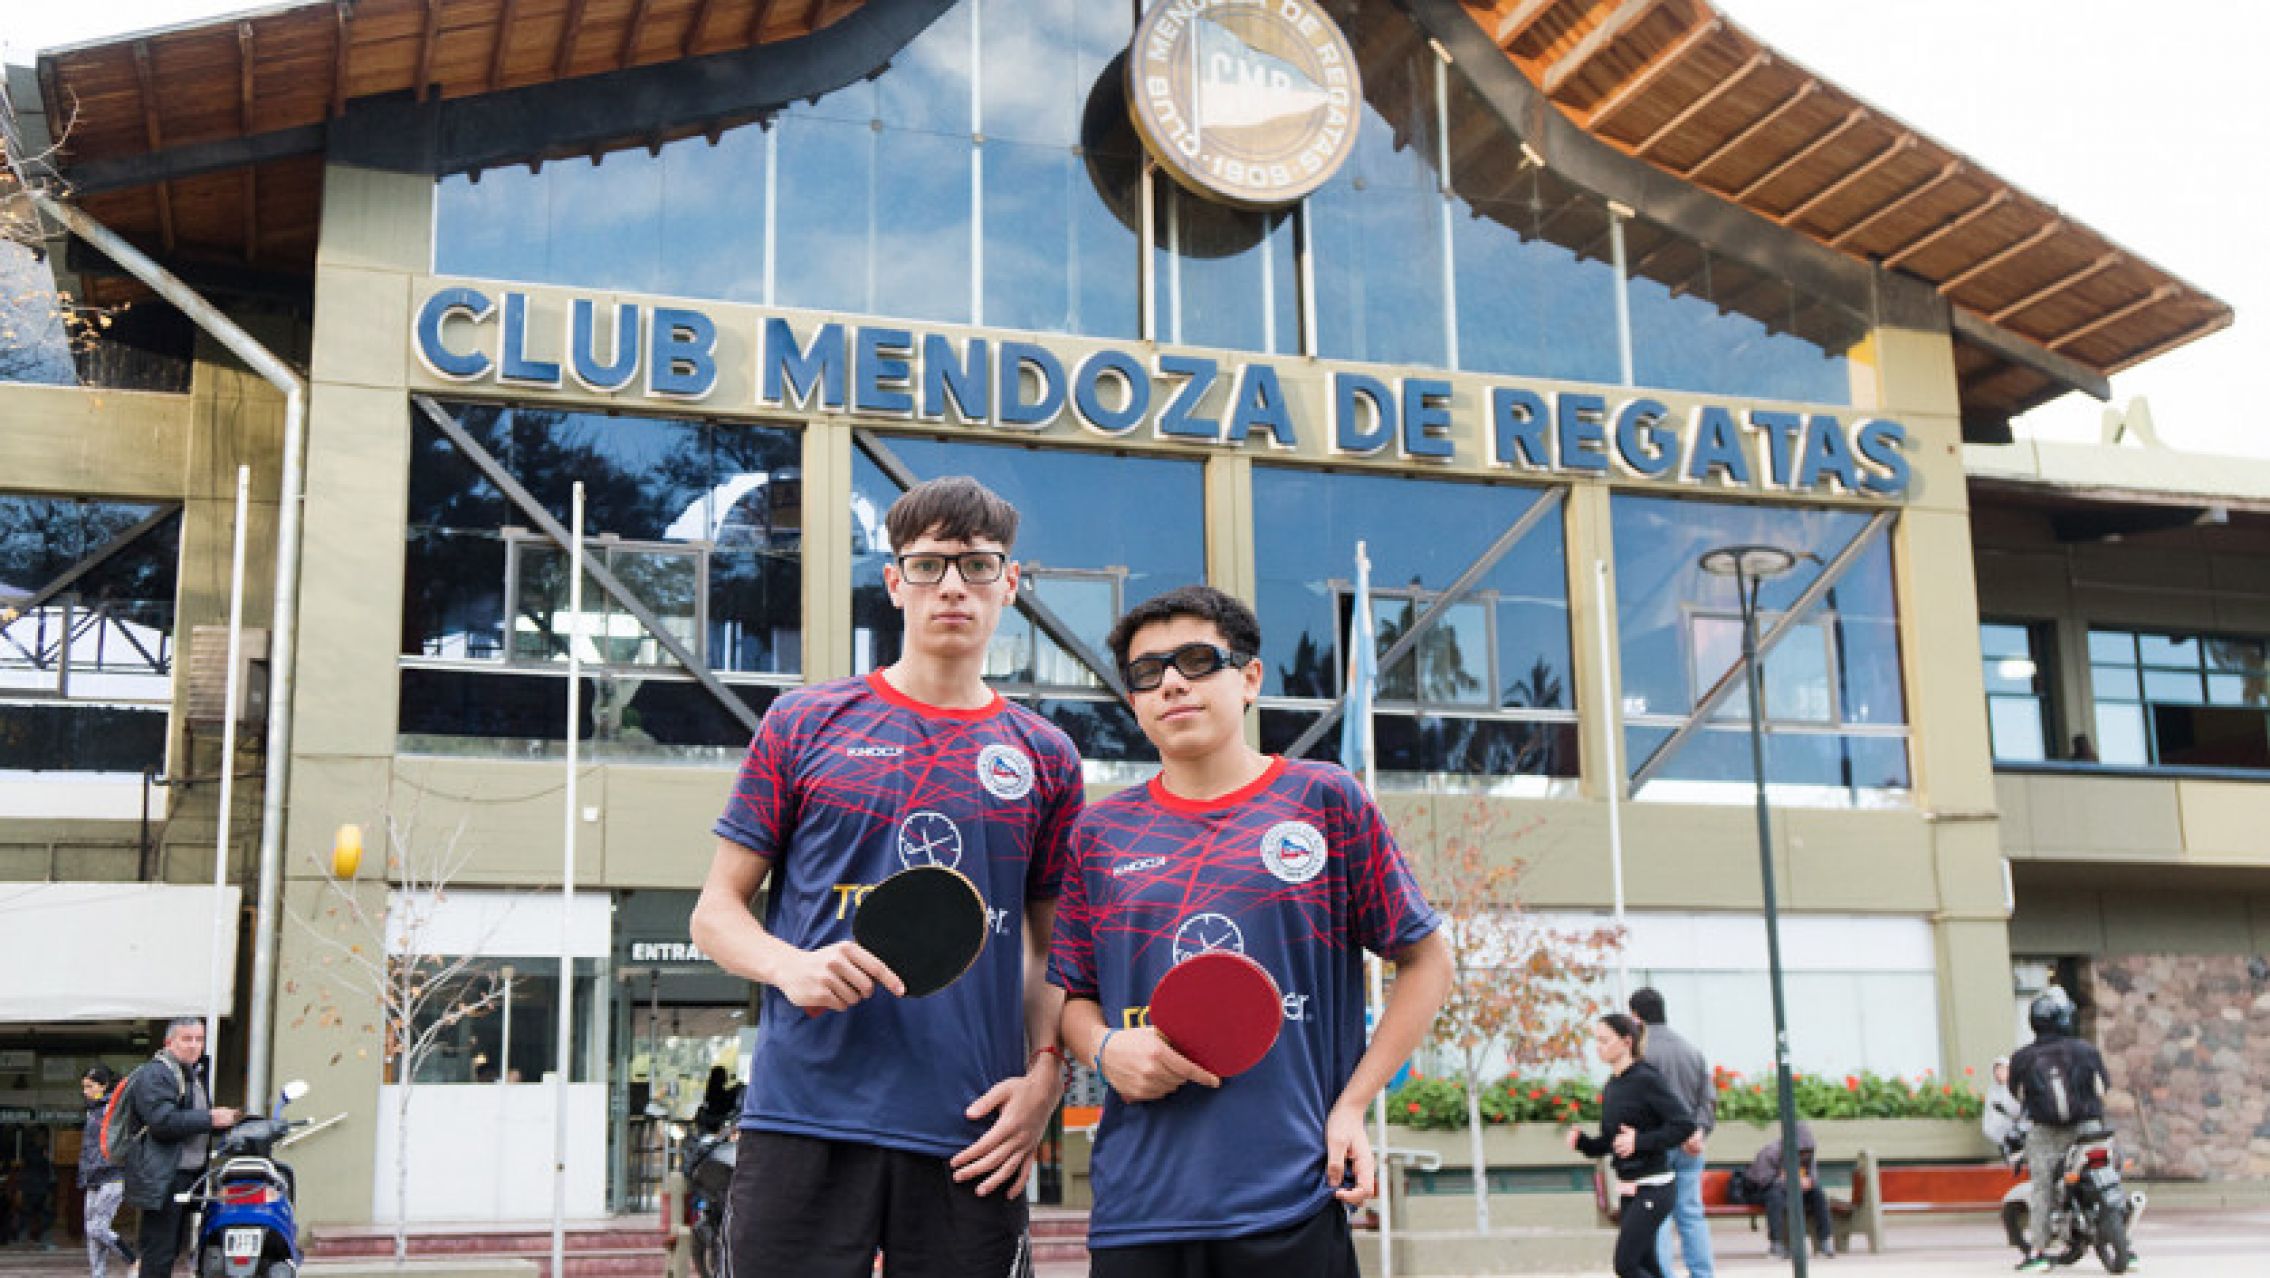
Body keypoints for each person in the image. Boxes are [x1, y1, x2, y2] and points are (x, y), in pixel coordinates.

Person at [691, 476, 1084, 1278]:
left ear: (1008, 585)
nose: (952, 586)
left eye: (977, 565)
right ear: (894, 580)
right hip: (804, 1115)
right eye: (930, 563)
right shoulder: (804, 722)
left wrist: (1046, 1077)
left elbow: (1053, 952)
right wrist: (788, 964)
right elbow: (714, 914)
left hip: (973, 1130)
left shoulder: (1047, 757)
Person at [1048, 585, 1452, 1276]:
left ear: (1250, 679)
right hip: (1138, 1211)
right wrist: (1106, 1046)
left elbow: (1428, 960)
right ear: (1135, 701)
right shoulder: (1099, 833)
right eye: (1148, 673)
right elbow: (1068, 996)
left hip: (1290, 1198)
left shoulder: (1325, 801)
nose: (1172, 682)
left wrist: (1353, 1106)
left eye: (1198, 660)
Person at [1566, 1013, 1697, 1278]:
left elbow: (1684, 1125)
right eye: (1597, 1041)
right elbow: (1611, 1142)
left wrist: (1640, 1140)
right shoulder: (1613, 1086)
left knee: (1626, 1265)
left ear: (1626, 1042)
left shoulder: (1646, 1078)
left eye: (1605, 1040)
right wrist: (1583, 1143)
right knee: (1647, 1267)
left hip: (1654, 1187)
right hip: (1629, 1189)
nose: (1599, 1047)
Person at [122, 1017, 241, 1278]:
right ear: (168, 1042)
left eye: (199, 1039)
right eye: (186, 1039)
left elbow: (188, 1121)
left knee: (176, 1248)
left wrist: (223, 1123)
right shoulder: (157, 1073)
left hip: (188, 1173)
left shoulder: (192, 1074)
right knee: (160, 1251)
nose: (194, 1045)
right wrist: (210, 1118)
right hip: (165, 1175)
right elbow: (161, 1121)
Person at [2008, 987, 2109, 1273]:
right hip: (2088, 1128)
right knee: (2104, 1170)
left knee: (2042, 1189)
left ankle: (2038, 1251)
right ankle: (2124, 1238)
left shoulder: (2022, 1057)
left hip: (2046, 1132)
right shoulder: (2087, 1050)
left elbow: (2018, 1095)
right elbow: (2103, 1088)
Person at [1630, 988, 1715, 1278]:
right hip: (1690, 1146)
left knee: (1657, 1216)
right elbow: (1707, 1101)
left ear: (1635, 1016)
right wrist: (1698, 1132)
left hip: (1656, 1144)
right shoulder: (1691, 1050)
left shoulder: (1640, 1055)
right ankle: (1702, 1274)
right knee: (1692, 1214)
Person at [1744, 1120, 1833, 1260]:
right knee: (1775, 1196)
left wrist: (1809, 1182)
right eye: (1800, 1152)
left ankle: (1825, 1241)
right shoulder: (1770, 1152)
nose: (1804, 1155)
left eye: (1807, 1152)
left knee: (1818, 1193)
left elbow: (1813, 1175)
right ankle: (1776, 1244)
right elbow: (1763, 1180)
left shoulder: (1809, 1154)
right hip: (1761, 1191)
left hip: (1793, 1189)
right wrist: (1787, 1180)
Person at [79, 1065, 136, 1278]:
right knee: (91, 1232)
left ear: (104, 1085)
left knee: (98, 1228)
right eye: (84, 1087)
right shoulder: (91, 1109)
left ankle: (132, 1259)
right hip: (92, 1174)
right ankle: (98, 1274)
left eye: (90, 1086)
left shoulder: (114, 1108)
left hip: (113, 1174)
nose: (86, 1091)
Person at [1981, 1057, 2031, 1254]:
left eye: (2004, 1069)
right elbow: (1992, 1119)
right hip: (2012, 1141)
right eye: (1997, 1070)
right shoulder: (1994, 1092)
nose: (2000, 1074)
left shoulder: (2020, 1088)